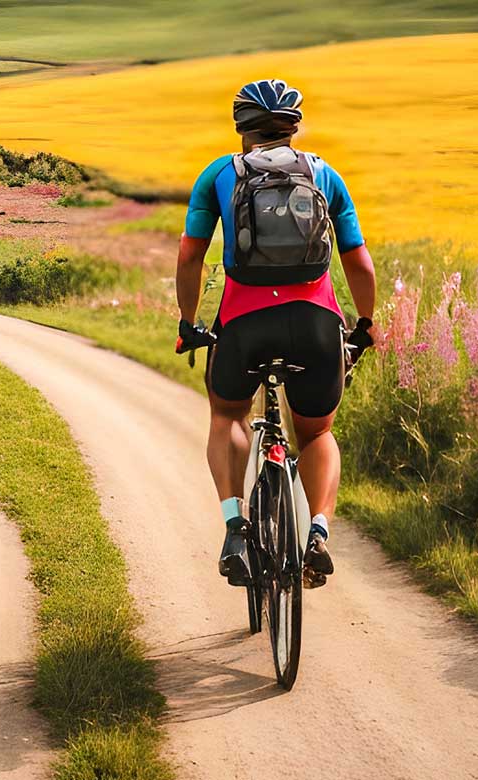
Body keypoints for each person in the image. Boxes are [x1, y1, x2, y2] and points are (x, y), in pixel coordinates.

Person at [174, 78, 376, 588]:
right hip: (315, 324)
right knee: (317, 432)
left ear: (241, 128)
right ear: (294, 128)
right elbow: (359, 262)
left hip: (245, 323)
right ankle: (319, 533)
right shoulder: (323, 174)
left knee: (227, 415)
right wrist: (364, 326)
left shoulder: (220, 173)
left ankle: (236, 527)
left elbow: (189, 255)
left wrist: (189, 322)